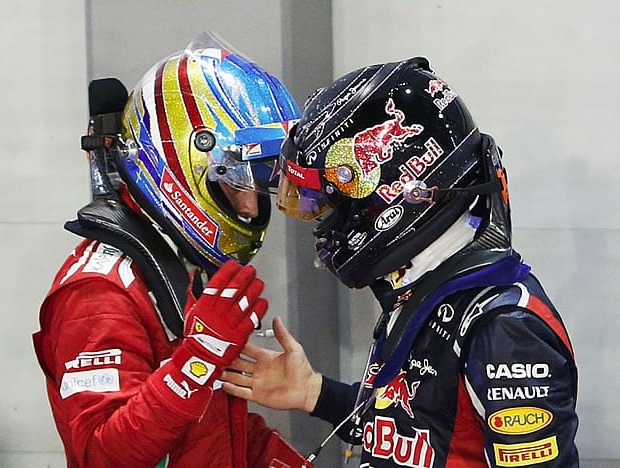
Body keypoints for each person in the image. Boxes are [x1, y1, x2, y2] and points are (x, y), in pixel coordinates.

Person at [222, 57, 579, 467]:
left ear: (393, 189)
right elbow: (415, 429)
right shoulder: (427, 287)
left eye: (330, 204)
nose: (324, 224)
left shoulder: (502, 327)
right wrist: (313, 393)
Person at [32, 32, 311, 468]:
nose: (250, 206)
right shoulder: (97, 291)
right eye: (235, 182)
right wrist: (200, 356)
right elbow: (103, 454)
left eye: (258, 185)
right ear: (182, 163)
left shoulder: (172, 264)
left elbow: (211, 427)